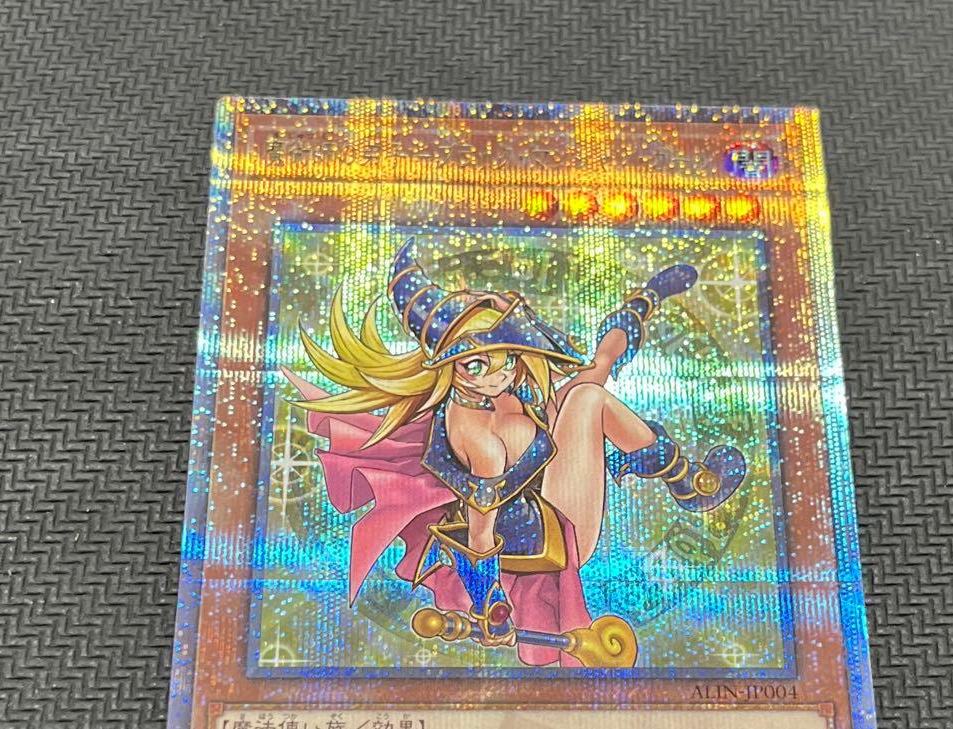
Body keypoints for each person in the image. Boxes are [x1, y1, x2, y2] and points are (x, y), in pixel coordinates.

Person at [283, 238, 745, 666]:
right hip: (556, 531)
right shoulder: (479, 441)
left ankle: (642, 303)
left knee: (594, 372)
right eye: (478, 364)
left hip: (547, 484)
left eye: (506, 357)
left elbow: (537, 394)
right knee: (587, 398)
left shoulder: (493, 392)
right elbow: (480, 534)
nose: (500, 373)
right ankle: (689, 482)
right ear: (450, 366)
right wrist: (491, 605)